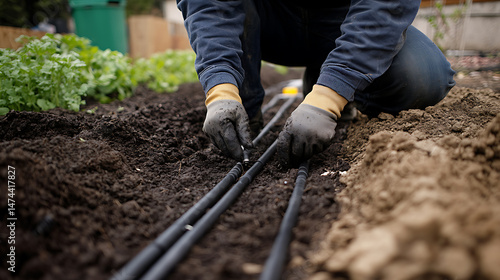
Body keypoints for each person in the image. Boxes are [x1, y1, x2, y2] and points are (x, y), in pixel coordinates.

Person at [176, 0, 456, 167]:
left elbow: (385, 6)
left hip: (343, 18)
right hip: (267, 17)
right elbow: (209, 4)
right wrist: (221, 86)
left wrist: (329, 97)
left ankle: (329, 76)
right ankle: (244, 112)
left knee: (423, 77)